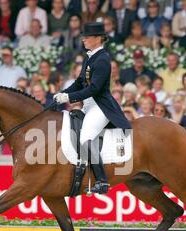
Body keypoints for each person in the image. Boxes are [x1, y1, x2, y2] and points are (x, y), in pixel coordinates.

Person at [53, 22, 132, 194]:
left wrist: (70, 97)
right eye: (83, 37)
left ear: (98, 38)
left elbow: (94, 88)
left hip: (100, 106)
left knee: (85, 138)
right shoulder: (90, 57)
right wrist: (62, 94)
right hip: (88, 105)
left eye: (87, 37)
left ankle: (102, 181)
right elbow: (80, 82)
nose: (83, 40)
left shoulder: (103, 59)